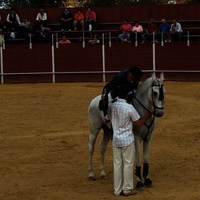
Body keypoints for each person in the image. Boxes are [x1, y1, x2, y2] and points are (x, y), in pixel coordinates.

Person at [106, 83, 151, 196]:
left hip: (116, 140)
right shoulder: (129, 107)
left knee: (117, 164)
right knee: (128, 163)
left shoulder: (112, 106)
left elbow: (106, 120)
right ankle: (127, 189)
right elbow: (139, 123)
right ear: (126, 95)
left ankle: (117, 190)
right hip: (127, 140)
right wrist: (146, 116)